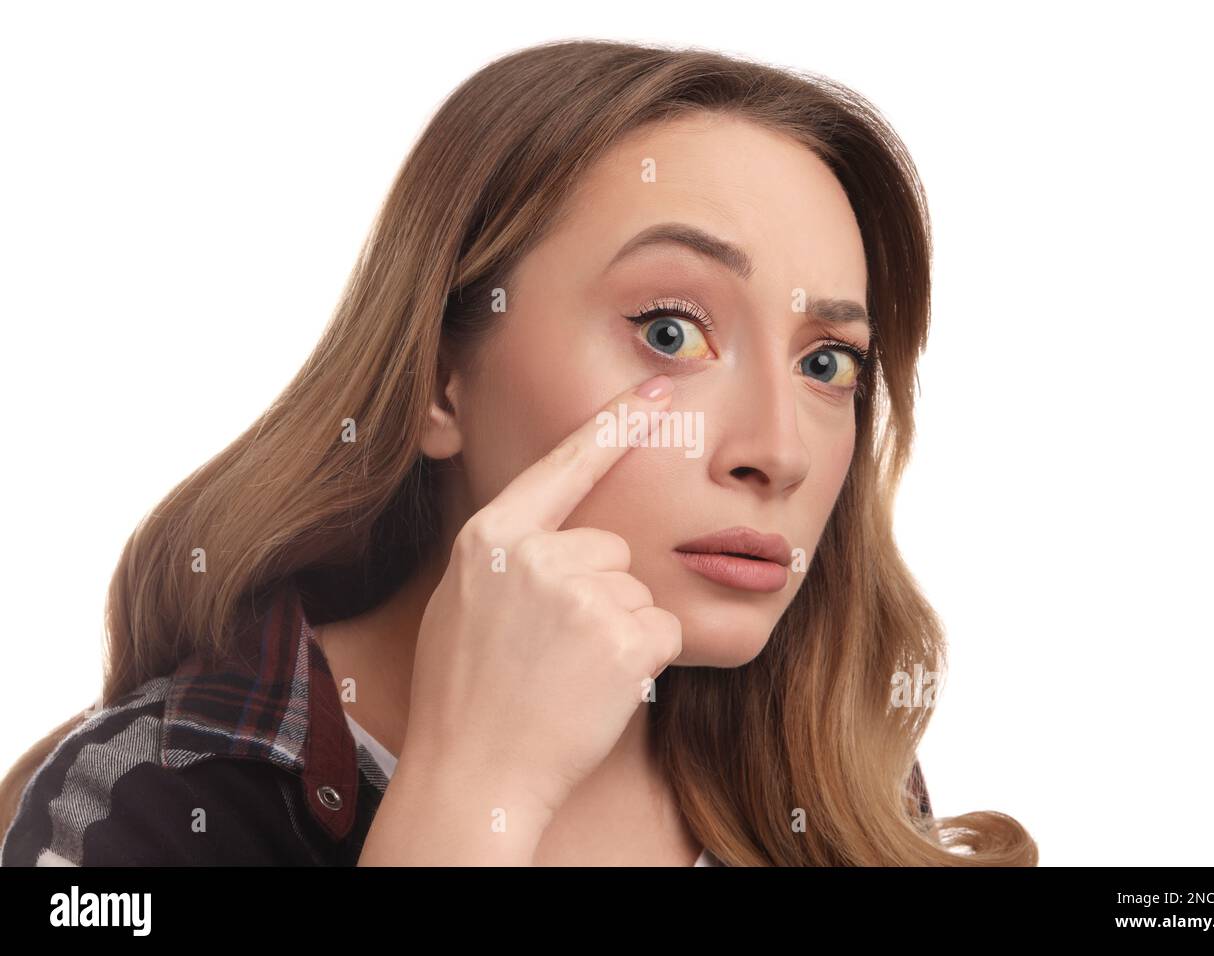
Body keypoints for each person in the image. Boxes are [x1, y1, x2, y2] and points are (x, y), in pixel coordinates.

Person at [0, 38, 1035, 866]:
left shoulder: (838, 784)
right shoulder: (160, 794)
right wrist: (473, 791)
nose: (779, 451)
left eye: (827, 363)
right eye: (670, 330)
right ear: (439, 381)